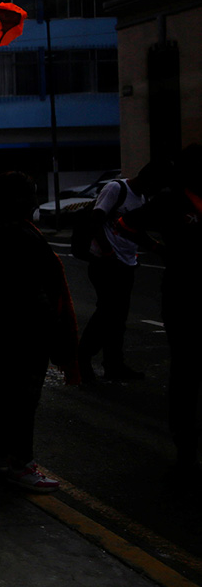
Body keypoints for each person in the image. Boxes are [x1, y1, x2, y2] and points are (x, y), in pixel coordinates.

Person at [0, 172, 77, 492]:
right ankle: (19, 464)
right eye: (30, 194)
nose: (34, 200)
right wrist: (52, 330)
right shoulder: (17, 235)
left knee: (4, 398)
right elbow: (33, 289)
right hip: (21, 332)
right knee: (20, 401)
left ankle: (5, 461)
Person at [117, 145, 202, 482]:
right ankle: (185, 449)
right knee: (186, 372)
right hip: (183, 295)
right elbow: (125, 223)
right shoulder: (170, 201)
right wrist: (157, 248)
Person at [78, 163, 167, 382]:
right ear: (148, 180)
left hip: (125, 264)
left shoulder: (142, 199)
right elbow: (96, 219)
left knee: (118, 318)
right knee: (107, 314)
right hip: (105, 263)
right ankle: (82, 357)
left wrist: (155, 248)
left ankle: (113, 365)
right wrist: (107, 250)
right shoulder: (116, 189)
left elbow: (136, 232)